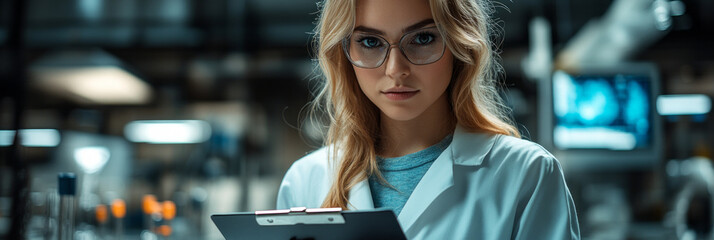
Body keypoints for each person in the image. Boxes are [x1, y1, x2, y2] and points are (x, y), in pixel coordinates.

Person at [276, 0, 581, 239]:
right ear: (343, 53)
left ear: (460, 43)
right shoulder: (306, 181)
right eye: (370, 42)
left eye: (422, 38)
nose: (396, 69)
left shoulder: (525, 175)